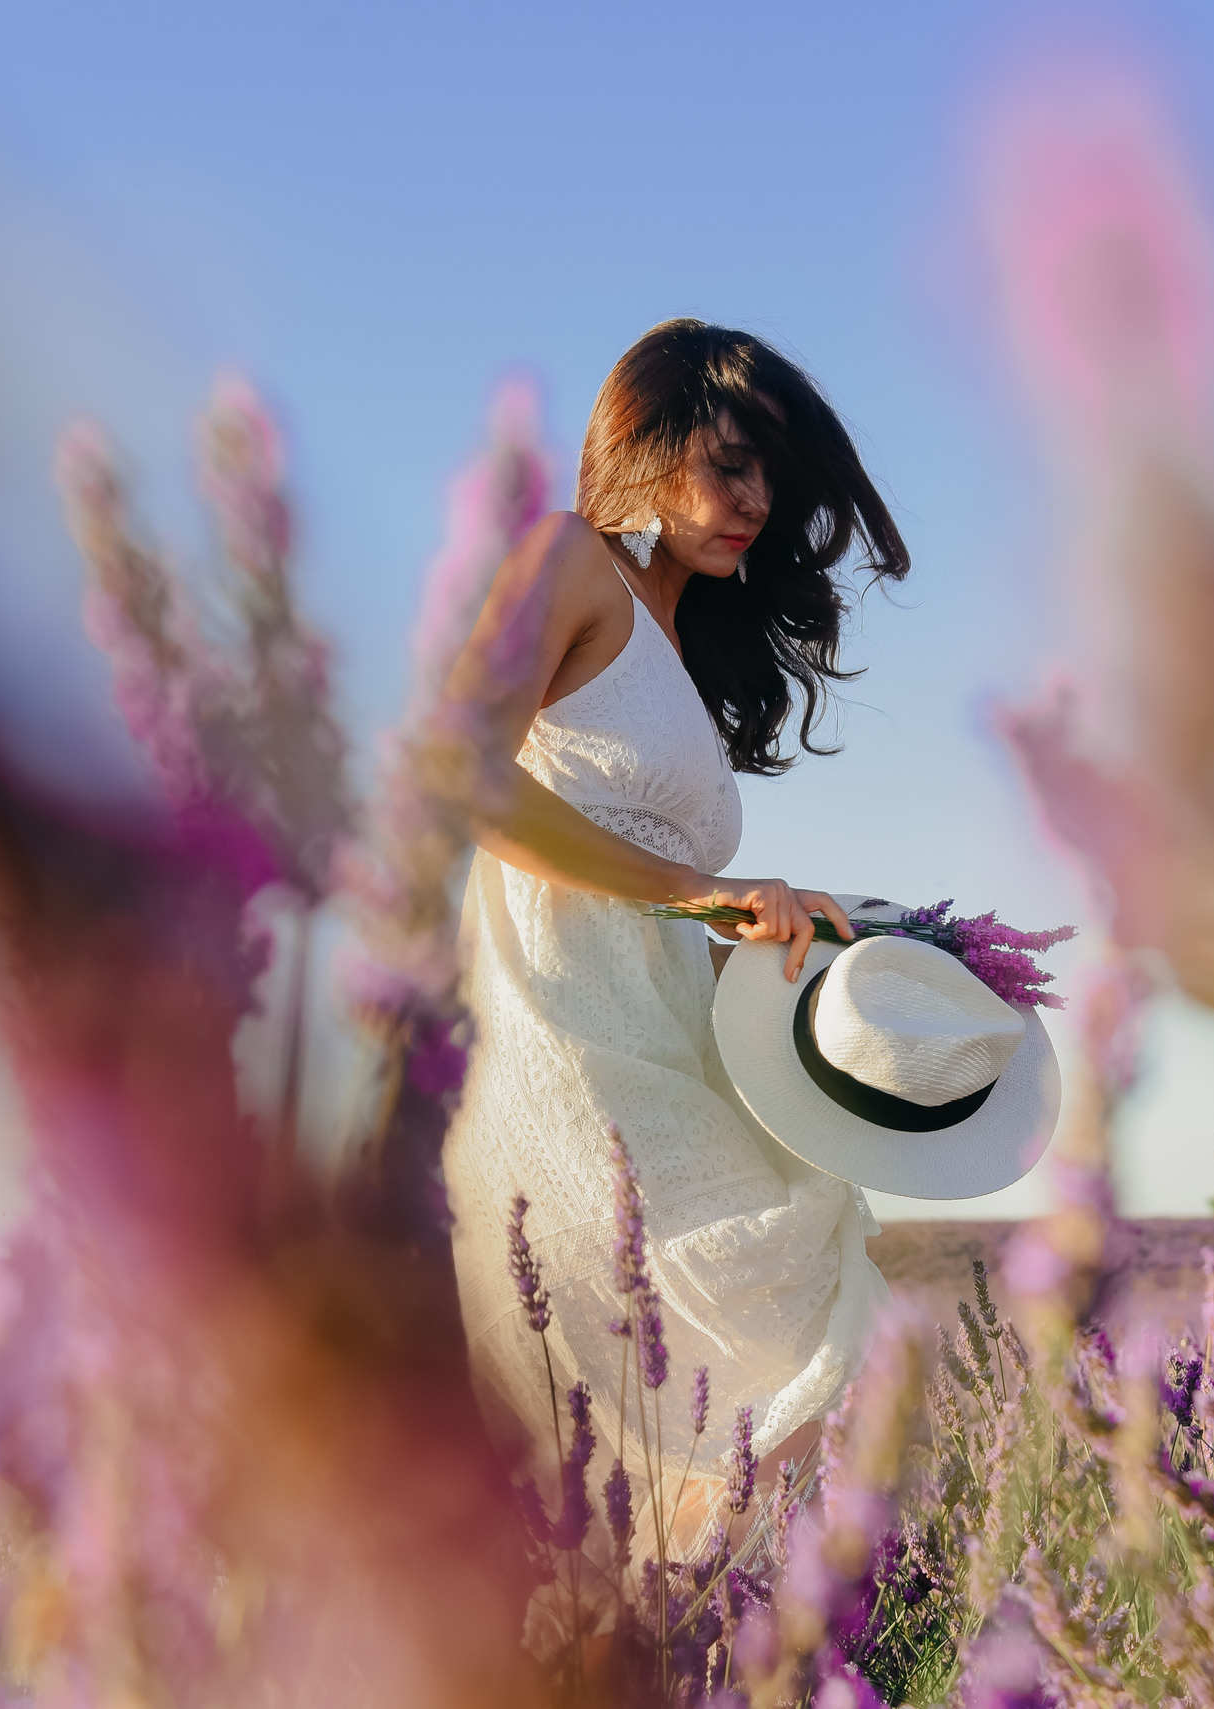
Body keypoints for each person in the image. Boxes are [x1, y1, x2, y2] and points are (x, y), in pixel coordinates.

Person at [438, 320, 908, 1576]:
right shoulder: (567, 559)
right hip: (566, 1054)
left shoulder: (684, 657)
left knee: (773, 1395)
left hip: (674, 1052)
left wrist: (795, 954)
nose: (754, 501)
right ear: (644, 446)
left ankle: (683, 1651)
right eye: (729, 463)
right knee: (768, 1366)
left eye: (772, 478)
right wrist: (703, 888)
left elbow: (679, 914)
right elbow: (460, 770)